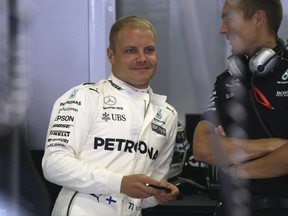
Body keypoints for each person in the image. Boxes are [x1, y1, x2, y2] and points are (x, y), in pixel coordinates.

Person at [42, 15, 179, 216]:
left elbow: (145, 196)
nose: (142, 58)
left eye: (148, 50)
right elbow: (53, 164)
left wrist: (158, 193)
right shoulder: (84, 96)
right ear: (111, 55)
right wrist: (119, 183)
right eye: (131, 51)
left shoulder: (167, 114)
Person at [193, 0, 288, 216]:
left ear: (258, 19)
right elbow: (202, 147)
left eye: (229, 19)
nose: (222, 29)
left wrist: (237, 170)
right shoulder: (227, 80)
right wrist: (272, 145)